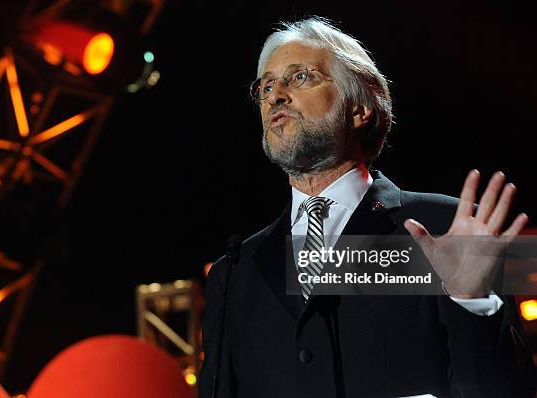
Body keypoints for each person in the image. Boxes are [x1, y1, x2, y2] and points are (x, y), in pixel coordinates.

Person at [199, 17, 535, 397]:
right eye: (267, 86)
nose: (275, 95)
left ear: (360, 109)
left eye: (300, 77)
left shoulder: (444, 227)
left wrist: (471, 302)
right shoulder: (235, 272)